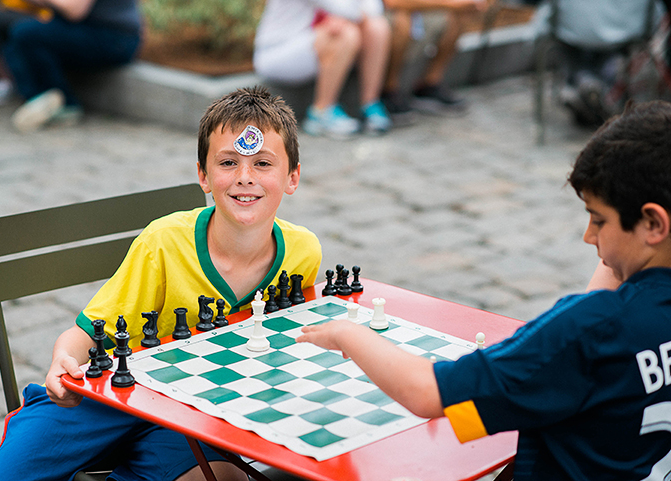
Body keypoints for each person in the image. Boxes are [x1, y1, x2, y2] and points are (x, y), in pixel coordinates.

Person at [298, 100, 671, 480]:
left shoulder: (585, 332)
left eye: (599, 219)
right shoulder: (607, 324)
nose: (588, 236)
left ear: (653, 223)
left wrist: (347, 332)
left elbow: (426, 393)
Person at [0, 86, 323, 481]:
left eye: (263, 164)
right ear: (203, 176)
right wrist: (62, 361)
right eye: (228, 162)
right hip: (104, 395)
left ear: (292, 177)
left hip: (187, 413)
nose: (245, 177)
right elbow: (85, 333)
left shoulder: (303, 253)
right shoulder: (163, 242)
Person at [254, 0, 393, 137]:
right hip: (278, 52)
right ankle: (321, 113)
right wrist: (344, 17)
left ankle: (370, 104)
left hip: (308, 40)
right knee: (344, 34)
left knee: (377, 27)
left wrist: (344, 17)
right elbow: (349, 10)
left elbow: (373, 8)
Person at [2, 0, 142, 132]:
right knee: (15, 41)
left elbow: (74, 10)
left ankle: (64, 104)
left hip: (115, 38)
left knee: (27, 34)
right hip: (86, 27)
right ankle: (38, 98)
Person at [381, 0, 486, 117]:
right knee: (401, 19)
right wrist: (452, 4)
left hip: (418, 13)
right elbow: (393, 3)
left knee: (461, 12)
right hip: (383, 15)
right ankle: (389, 90)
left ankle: (429, 84)